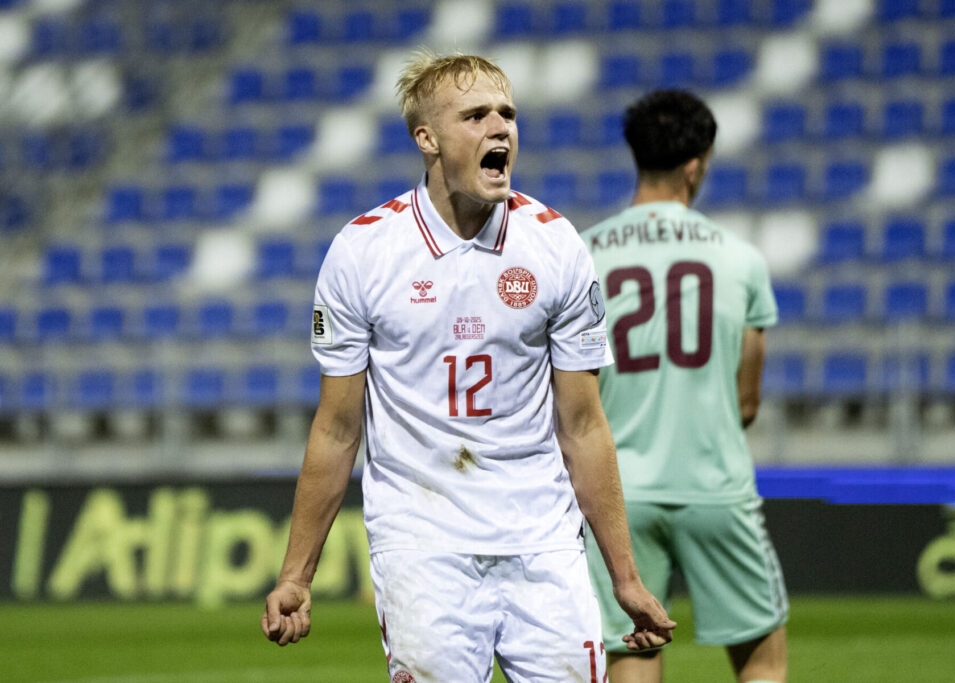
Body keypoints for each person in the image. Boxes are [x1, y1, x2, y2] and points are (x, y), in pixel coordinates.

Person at [260, 51, 675, 682]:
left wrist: (625, 576)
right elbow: (338, 430)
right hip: (422, 544)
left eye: (507, 113)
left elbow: (584, 425)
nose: (500, 127)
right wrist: (296, 575)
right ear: (426, 139)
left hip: (543, 539)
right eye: (475, 115)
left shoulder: (555, 244)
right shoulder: (362, 252)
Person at [583, 89, 789, 683]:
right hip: (713, 482)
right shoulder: (740, 259)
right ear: (695, 166)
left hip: (618, 491)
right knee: (762, 658)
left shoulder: (584, 254)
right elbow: (746, 399)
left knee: (634, 649)